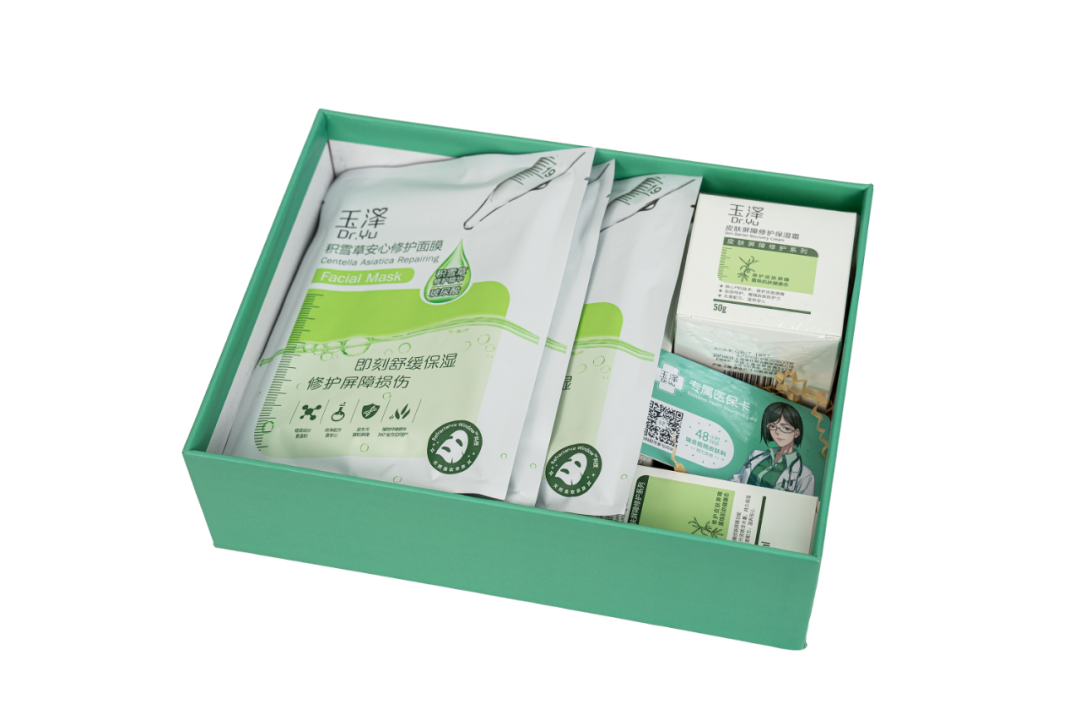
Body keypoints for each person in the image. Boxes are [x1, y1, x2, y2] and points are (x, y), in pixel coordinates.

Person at [728, 402, 815, 495]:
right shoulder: (755, 455)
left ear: (796, 433)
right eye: (773, 426)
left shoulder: (805, 476)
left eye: (785, 428)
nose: (777, 432)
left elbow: (804, 503)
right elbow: (737, 479)